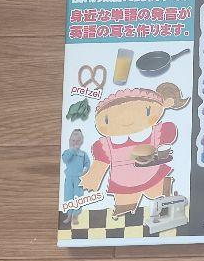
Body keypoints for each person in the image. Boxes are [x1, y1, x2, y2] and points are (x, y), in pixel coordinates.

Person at [81, 83, 189, 216]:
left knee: (159, 196)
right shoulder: (106, 145)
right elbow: (100, 164)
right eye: (107, 120)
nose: (126, 121)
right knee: (125, 208)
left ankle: (167, 199)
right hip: (123, 183)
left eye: (146, 111)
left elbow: (169, 136)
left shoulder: (155, 134)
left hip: (153, 175)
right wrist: (92, 179)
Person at [61, 129, 91, 207]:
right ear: (70, 141)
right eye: (73, 140)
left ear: (81, 141)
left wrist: (85, 169)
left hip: (79, 178)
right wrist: (72, 150)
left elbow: (87, 163)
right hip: (69, 177)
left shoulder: (83, 154)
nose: (75, 142)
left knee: (78, 196)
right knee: (68, 195)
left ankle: (76, 213)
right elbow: (65, 159)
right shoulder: (67, 152)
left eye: (78, 141)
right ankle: (68, 212)